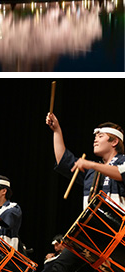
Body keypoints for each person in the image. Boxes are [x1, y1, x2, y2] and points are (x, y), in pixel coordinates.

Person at [45, 113, 125, 271]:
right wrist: (56, 131)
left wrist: (91, 165)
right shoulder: (92, 170)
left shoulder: (122, 162)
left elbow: (120, 173)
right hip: (90, 231)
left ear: (114, 141)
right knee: (58, 266)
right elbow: (64, 160)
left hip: (117, 229)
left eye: (100, 136)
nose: (95, 139)